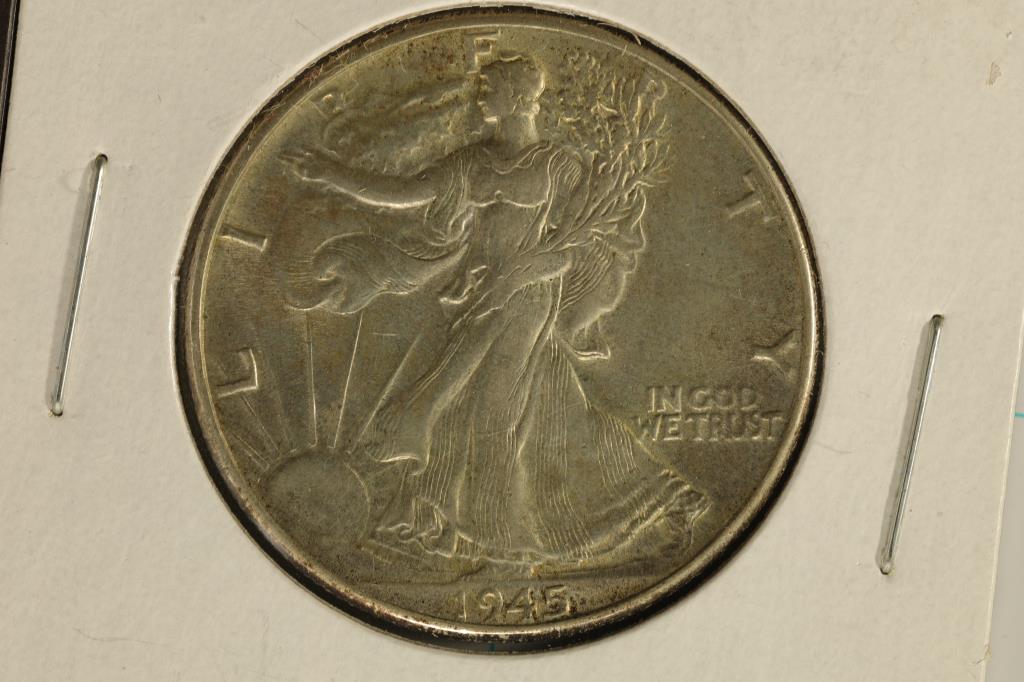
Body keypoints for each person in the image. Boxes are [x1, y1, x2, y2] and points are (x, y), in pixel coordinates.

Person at [282, 53, 707, 569]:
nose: (482, 95)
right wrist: (332, 175)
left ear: (520, 97)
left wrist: (513, 280)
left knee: (491, 413)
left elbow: (568, 251)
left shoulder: (558, 166)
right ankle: (487, 528)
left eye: (491, 87)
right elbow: (406, 193)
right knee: (484, 409)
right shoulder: (470, 163)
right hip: (482, 300)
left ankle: (505, 533)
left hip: (527, 300)